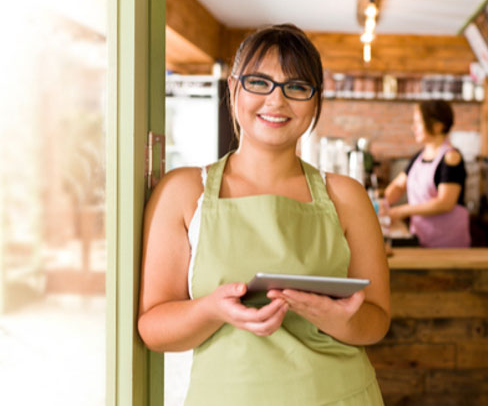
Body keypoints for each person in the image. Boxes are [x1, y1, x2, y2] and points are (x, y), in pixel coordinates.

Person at [138, 24, 390, 405]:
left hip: (340, 395)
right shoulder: (183, 192)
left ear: (316, 101)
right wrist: (212, 310)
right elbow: (154, 329)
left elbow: (377, 320)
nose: (277, 100)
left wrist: (338, 319)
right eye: (259, 82)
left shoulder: (347, 196)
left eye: (298, 87)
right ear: (233, 88)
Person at [382, 100, 471, 248]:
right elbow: (398, 184)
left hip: (448, 244)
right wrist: (385, 202)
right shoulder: (419, 157)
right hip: (421, 237)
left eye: (418, 122)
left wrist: (401, 211)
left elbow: (445, 203)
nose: (413, 127)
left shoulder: (451, 158)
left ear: (437, 126)